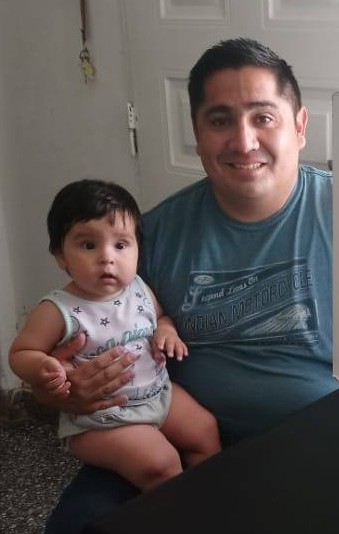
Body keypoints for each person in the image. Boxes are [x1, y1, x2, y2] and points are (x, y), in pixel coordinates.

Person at [30, 37, 339, 534]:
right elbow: (61, 355)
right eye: (220, 121)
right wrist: (65, 390)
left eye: (263, 117)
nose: (243, 141)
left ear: (300, 126)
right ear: (196, 134)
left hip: (330, 451)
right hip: (176, 439)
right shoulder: (146, 239)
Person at [8, 180, 221, 491]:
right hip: (101, 420)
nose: (107, 257)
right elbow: (20, 353)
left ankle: (212, 498)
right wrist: (42, 367)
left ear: (137, 250)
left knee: (205, 430)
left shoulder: (138, 287)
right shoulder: (58, 310)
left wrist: (166, 331)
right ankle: (179, 517)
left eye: (121, 245)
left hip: (158, 394)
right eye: (88, 245)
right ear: (61, 255)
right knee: (160, 463)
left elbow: (160, 317)